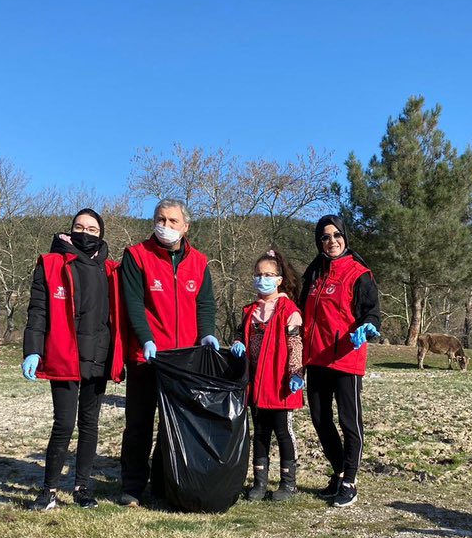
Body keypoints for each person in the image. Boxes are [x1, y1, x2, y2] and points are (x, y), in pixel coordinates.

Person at [117, 198, 218, 507]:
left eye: (173, 221)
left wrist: (208, 334)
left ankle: (164, 484)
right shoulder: (137, 256)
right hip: (146, 357)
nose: (166, 226)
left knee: (175, 424)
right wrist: (146, 338)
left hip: (184, 359)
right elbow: (133, 302)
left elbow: (205, 305)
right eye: (161, 219)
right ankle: (132, 486)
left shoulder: (199, 262)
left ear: (185, 227)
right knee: (139, 423)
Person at [22, 208, 121, 511]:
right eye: (80, 227)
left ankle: (82, 487)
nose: (86, 233)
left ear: (101, 234)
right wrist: (33, 349)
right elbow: (38, 311)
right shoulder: (51, 264)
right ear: (70, 230)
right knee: (64, 423)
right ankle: (49, 490)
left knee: (89, 423)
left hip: (99, 356)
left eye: (92, 229)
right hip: (65, 353)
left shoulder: (112, 270)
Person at [300, 214, 380, 508]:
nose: (331, 241)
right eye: (324, 236)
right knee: (320, 420)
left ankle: (351, 481)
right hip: (316, 359)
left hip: (346, 359)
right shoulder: (314, 273)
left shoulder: (359, 273)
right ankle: (339, 471)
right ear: (318, 241)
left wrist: (368, 326)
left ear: (344, 236)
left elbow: (371, 312)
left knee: (349, 422)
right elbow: (300, 309)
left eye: (336, 235)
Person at [231, 249, 305, 502]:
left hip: (280, 382)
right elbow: (240, 334)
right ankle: (259, 482)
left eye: (268, 274)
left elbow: (296, 343)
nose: (262, 279)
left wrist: (296, 372)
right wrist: (237, 343)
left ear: (279, 279)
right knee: (260, 434)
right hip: (256, 382)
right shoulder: (249, 310)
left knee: (283, 432)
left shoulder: (288, 310)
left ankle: (288, 483)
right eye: (258, 274)